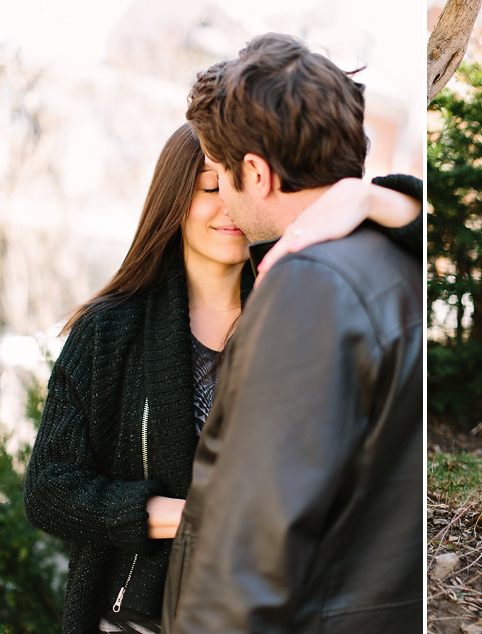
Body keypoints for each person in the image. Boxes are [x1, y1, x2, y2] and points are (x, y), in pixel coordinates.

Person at [23, 121, 421, 634]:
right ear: (174, 199)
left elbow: (414, 232)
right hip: (135, 614)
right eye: (211, 187)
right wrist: (190, 518)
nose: (229, 206)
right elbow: (49, 488)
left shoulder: (300, 309)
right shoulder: (110, 329)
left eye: (243, 185)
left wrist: (362, 197)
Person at [160, 34, 422, 634]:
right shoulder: (405, 256)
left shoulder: (309, 288)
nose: (223, 193)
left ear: (254, 171)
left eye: (220, 174)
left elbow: (248, 557)